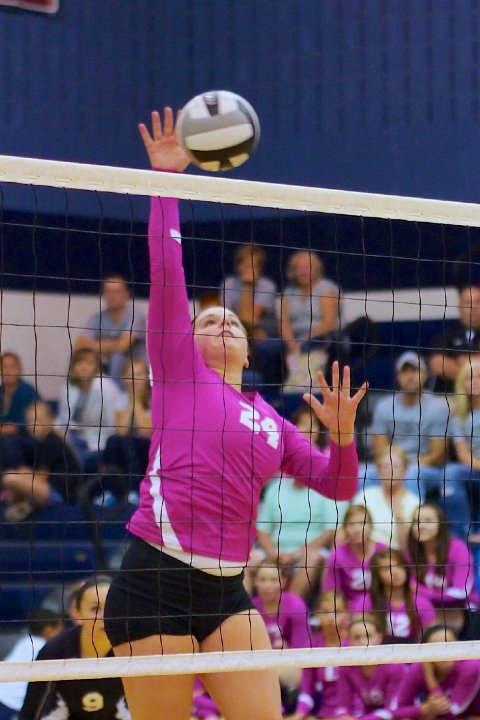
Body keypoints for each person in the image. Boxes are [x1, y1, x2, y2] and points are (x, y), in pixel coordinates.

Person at [103, 108, 367, 720]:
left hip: (226, 590)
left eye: (232, 322)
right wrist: (165, 181)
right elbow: (166, 269)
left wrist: (344, 436)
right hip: (154, 582)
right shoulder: (178, 371)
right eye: (206, 319)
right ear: (185, 340)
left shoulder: (273, 421)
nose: (220, 321)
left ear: (249, 351)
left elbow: (337, 485)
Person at [255, 405, 347, 601]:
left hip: (308, 552)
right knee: (249, 559)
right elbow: (262, 529)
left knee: (312, 558)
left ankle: (288, 608)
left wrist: (298, 553)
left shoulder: (326, 485)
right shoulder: (275, 488)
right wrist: (272, 553)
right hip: (275, 553)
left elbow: (331, 529)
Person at [367, 351, 465, 532]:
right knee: (364, 473)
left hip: (427, 469)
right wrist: (394, 465)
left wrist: (402, 468)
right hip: (391, 463)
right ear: (398, 377)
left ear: (425, 375)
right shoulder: (384, 406)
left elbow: (437, 456)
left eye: (415, 371)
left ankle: (410, 532)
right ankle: (365, 530)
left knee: (412, 474)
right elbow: (380, 450)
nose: (410, 376)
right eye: (405, 372)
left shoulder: (438, 408)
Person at [20, 577, 129, 720]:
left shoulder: (135, 649)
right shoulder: (55, 650)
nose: (105, 617)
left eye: (113, 608)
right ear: (77, 613)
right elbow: (31, 709)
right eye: (95, 609)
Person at [1, 401, 81, 521]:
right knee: (15, 478)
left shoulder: (51, 440)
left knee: (10, 478)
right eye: (29, 421)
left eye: (37, 420)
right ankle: (21, 502)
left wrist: (24, 475)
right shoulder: (43, 441)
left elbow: (41, 477)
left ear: (49, 420)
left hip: (59, 495)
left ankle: (22, 501)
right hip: (51, 490)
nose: (32, 425)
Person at [220, 243, 284, 391]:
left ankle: (270, 393)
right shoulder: (228, 284)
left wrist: (247, 285)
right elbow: (226, 316)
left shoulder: (267, 285)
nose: (250, 269)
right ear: (238, 266)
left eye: (254, 265)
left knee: (267, 347)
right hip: (236, 332)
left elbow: (250, 317)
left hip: (264, 334)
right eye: (245, 265)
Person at [407, 503, 477, 635]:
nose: (421, 526)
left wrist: (423, 591)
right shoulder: (411, 553)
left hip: (465, 612)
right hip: (429, 613)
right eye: (416, 521)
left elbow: (460, 592)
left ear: (441, 524)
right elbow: (408, 589)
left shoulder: (458, 548)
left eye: (428, 520)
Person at [251, 561, 311, 710]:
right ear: (255, 582)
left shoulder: (295, 605)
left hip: (291, 664)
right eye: (263, 580)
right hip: (260, 665)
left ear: (283, 581)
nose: (268, 585)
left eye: (273, 580)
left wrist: (286, 650)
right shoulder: (250, 608)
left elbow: (301, 650)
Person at [280, 250, 340, 393]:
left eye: (308, 267)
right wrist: (291, 342)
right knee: (268, 348)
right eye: (299, 268)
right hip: (295, 338)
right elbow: (283, 323)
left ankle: (310, 388)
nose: (303, 272)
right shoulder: (289, 292)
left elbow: (329, 322)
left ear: (317, 269)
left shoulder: (326, 288)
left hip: (322, 336)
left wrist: (304, 339)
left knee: (309, 346)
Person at [392, 624, 480, 720]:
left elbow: (452, 714)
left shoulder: (471, 666)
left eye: (451, 645)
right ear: (426, 653)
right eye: (438, 648)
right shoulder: (418, 667)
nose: (446, 653)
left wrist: (430, 678)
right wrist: (425, 709)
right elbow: (396, 712)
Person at [56, 348, 123, 473]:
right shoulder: (68, 387)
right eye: (79, 362)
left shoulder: (106, 388)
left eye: (89, 363)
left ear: (97, 367)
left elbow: (113, 424)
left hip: (99, 444)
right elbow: (63, 420)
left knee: (74, 463)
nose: (84, 367)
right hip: (73, 441)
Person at [74, 274, 147, 386]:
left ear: (126, 294)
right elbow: (79, 344)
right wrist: (110, 345)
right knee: (79, 359)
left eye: (116, 291)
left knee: (117, 358)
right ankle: (76, 393)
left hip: (136, 366)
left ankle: (117, 396)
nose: (112, 296)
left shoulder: (135, 315)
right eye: (108, 291)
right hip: (105, 362)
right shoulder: (97, 317)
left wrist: (95, 346)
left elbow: (123, 346)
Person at [351, 547, 436, 643]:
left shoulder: (421, 603)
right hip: (377, 650)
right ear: (377, 575)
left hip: (412, 650)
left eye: (399, 565)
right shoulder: (366, 602)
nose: (395, 572)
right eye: (387, 568)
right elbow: (355, 634)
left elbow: (430, 638)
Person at [292, 590, 349, 720]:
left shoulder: (354, 642)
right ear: (317, 613)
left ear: (347, 613)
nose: (331, 618)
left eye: (337, 612)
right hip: (326, 713)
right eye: (325, 612)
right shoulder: (313, 644)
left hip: (354, 713)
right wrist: (299, 713)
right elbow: (307, 690)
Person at [101, 358, 152, 500]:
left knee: (127, 443)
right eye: (130, 375)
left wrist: (137, 400)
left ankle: (134, 491)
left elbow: (145, 432)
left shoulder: (155, 398)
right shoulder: (122, 399)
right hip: (128, 445)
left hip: (150, 447)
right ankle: (110, 492)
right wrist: (132, 399)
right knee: (113, 440)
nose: (134, 380)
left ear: (147, 377)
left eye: (139, 374)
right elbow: (121, 432)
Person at [335, 613, 402, 720]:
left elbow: (392, 710)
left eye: (368, 636)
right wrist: (344, 716)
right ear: (349, 640)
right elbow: (343, 705)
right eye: (356, 637)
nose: (363, 642)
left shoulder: (394, 665)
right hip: (367, 715)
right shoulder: (346, 665)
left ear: (379, 637)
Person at [0, 609, 63, 720]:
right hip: (12, 702)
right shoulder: (45, 649)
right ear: (48, 630)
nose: (62, 634)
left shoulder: (25, 641)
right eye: (59, 630)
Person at [353, 445, 420, 550]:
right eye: (385, 466)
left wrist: (400, 519)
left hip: (397, 556)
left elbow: (410, 548)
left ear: (405, 470)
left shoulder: (415, 503)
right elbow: (349, 530)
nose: (390, 471)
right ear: (378, 471)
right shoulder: (365, 496)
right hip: (365, 553)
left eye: (396, 466)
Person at [322, 505, 387, 610]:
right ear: (344, 528)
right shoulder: (337, 555)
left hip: (381, 608)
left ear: (371, 526)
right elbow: (330, 592)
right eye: (351, 524)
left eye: (362, 523)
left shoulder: (384, 551)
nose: (357, 529)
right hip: (349, 611)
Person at [446, 359, 480, 538]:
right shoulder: (459, 415)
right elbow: (462, 453)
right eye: (469, 378)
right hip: (473, 471)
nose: (474, 381)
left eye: (479, 377)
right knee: (451, 472)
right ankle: (462, 533)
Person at [429, 284, 480, 395]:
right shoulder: (446, 334)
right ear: (459, 308)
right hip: (449, 397)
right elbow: (438, 366)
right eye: (468, 303)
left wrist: (459, 361)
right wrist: (475, 371)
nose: (473, 308)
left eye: (478, 302)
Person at [0, 352, 39, 439]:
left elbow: (20, 426)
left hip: (25, 438)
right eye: (4, 367)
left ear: (19, 369)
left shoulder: (29, 392)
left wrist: (8, 429)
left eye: (12, 367)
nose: (8, 371)